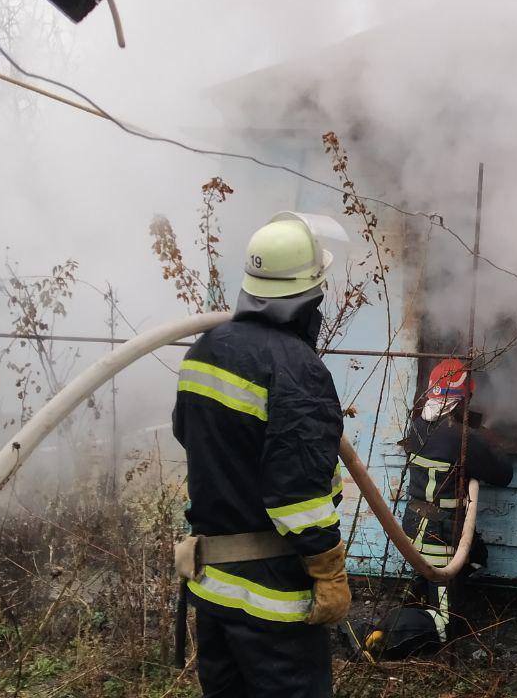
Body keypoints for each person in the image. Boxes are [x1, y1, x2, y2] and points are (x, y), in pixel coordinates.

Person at [172, 212, 349, 698]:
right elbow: (299, 495)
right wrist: (328, 566)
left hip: (212, 589)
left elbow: (188, 434)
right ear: (309, 298)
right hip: (274, 603)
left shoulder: (204, 350)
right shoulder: (298, 369)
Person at [366, 359, 513, 658]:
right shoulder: (464, 438)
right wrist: (486, 439)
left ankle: (417, 595)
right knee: (446, 625)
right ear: (462, 399)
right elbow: (503, 474)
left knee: (476, 555)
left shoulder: (419, 424)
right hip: (439, 534)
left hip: (417, 525)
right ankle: (385, 635)